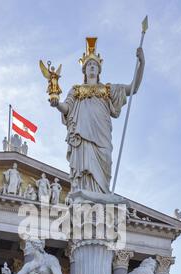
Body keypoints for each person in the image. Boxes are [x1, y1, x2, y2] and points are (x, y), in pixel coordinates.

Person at [50, 38, 145, 194]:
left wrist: (142, 63)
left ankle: (101, 196)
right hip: (82, 137)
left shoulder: (108, 90)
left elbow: (133, 88)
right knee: (84, 173)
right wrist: (56, 103)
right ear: (84, 70)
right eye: (89, 65)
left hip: (102, 137)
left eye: (95, 65)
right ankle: (84, 197)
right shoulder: (76, 90)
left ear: (99, 70)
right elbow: (67, 107)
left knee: (104, 166)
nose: (92, 67)